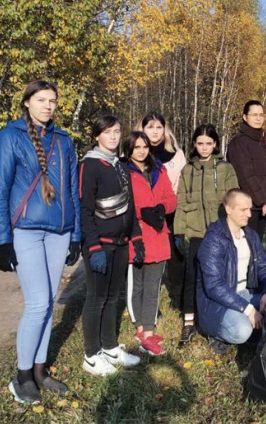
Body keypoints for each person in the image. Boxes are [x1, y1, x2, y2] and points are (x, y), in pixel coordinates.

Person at [0, 80, 81, 403]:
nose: (48, 106)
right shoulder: (9, 137)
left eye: (53, 100)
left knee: (47, 307)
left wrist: (76, 235)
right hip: (25, 231)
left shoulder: (64, 141)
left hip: (59, 232)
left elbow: (71, 190)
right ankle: (22, 376)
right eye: (41, 100)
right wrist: (1, 240)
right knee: (38, 303)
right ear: (27, 102)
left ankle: (40, 371)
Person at [80, 115, 143, 376]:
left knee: (112, 297)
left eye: (117, 131)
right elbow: (85, 209)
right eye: (107, 132)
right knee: (96, 298)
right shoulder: (91, 165)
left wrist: (136, 238)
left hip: (120, 243)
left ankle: (109, 347)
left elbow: (130, 206)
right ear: (97, 136)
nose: (114, 136)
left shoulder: (120, 165)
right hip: (101, 245)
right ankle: (91, 355)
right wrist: (93, 247)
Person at [173, 125, 238, 347]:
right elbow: (181, 201)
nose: (204, 147)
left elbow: (234, 199)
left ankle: (214, 320)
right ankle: (189, 322)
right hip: (195, 231)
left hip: (218, 231)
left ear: (215, 145)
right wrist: (180, 232)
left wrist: (233, 228)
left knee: (217, 278)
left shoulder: (225, 168)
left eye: (208, 143)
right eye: (200, 143)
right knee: (192, 276)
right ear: (193, 144)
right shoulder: (187, 170)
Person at [196, 189, 266, 354]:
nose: (249, 215)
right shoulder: (214, 239)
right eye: (243, 210)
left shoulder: (251, 235)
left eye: (250, 209)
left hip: (245, 293)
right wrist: (248, 309)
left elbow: (265, 268)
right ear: (228, 209)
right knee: (241, 331)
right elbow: (214, 286)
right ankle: (216, 334)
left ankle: (254, 330)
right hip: (217, 302)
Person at [124, 132, 177, 356]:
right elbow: (122, 201)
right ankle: (141, 328)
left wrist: (161, 209)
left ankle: (148, 329)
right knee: (137, 284)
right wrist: (140, 212)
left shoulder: (158, 170)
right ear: (129, 150)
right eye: (136, 147)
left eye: (144, 146)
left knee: (153, 286)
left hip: (158, 234)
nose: (142, 151)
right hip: (136, 235)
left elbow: (170, 197)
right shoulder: (124, 171)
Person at [135, 112, 187, 311]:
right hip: (145, 214)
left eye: (159, 127)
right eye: (150, 127)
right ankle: (147, 302)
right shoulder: (135, 153)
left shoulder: (175, 154)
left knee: (176, 256)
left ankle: (177, 297)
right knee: (146, 256)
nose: (155, 132)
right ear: (143, 128)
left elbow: (181, 186)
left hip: (171, 211)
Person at [226, 100, 266, 240]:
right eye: (254, 115)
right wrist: (262, 201)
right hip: (248, 207)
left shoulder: (264, 143)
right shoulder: (239, 143)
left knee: (255, 244)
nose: (258, 118)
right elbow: (246, 176)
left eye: (261, 115)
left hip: (264, 207)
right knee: (245, 244)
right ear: (245, 117)